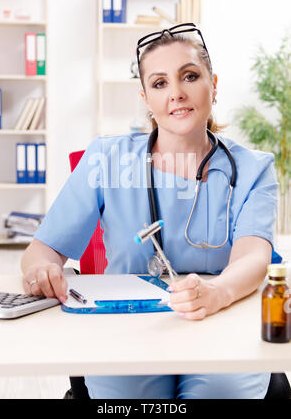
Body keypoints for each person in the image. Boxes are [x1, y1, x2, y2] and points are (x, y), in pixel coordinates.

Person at [21, 24, 278, 399]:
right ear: (146, 98)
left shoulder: (254, 168)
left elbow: (254, 257)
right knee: (131, 401)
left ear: (214, 84)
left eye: (189, 76)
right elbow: (41, 251)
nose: (176, 93)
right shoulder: (105, 159)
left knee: (220, 393)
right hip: (128, 322)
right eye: (159, 84)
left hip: (222, 313)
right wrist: (40, 270)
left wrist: (217, 293)